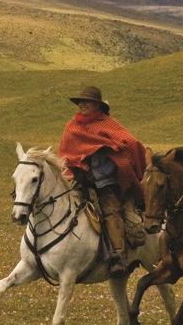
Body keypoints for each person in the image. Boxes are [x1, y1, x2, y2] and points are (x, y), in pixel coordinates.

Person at [58, 86, 147, 278]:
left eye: (87, 102)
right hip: (82, 179)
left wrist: (113, 155)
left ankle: (119, 256)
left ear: (97, 105)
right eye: (80, 102)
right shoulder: (73, 126)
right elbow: (67, 152)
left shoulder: (108, 123)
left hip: (107, 180)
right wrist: (79, 168)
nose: (82, 104)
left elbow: (131, 143)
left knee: (111, 211)